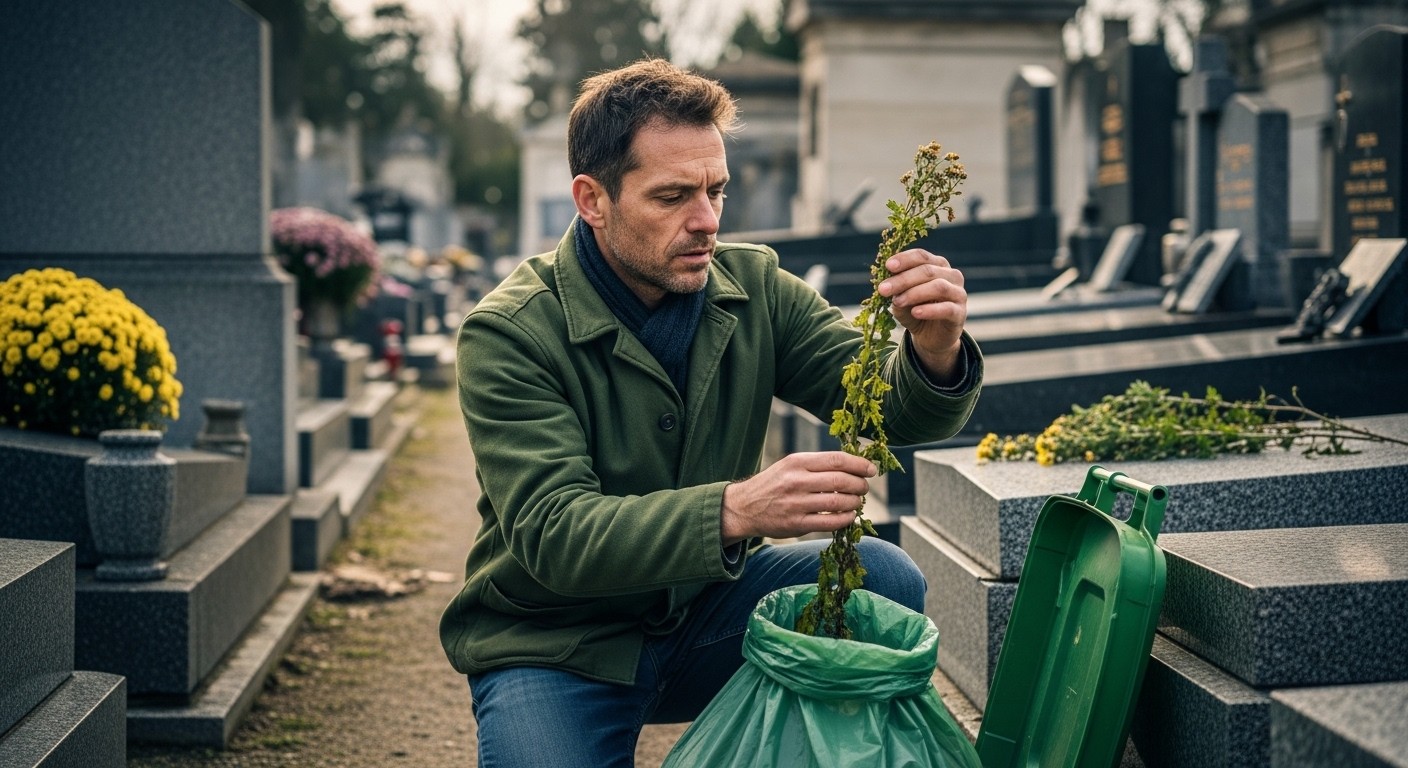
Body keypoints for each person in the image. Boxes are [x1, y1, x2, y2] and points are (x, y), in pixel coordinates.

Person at [440, 57, 983, 767]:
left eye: (716, 191)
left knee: (882, 578)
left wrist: (934, 349)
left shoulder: (754, 284)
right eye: (671, 196)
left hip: (709, 613)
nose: (705, 222)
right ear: (591, 199)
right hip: (556, 643)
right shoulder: (510, 331)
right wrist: (735, 509)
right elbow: (554, 533)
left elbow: (887, 414)